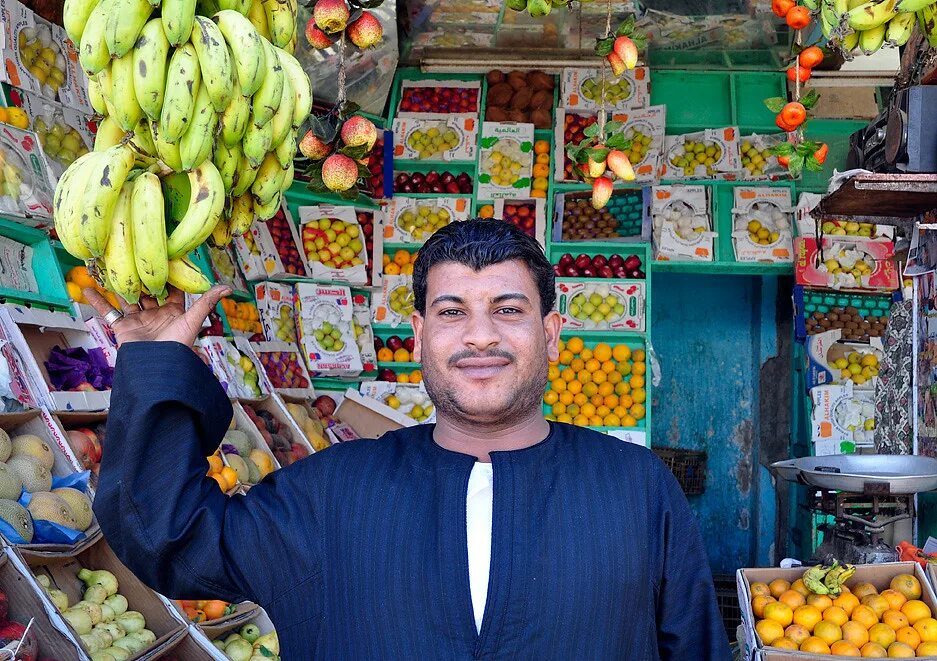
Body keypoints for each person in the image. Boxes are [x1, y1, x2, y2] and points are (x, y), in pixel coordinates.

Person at [88, 220, 731, 660]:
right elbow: (166, 539)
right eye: (453, 312)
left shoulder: (634, 487)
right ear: (419, 338)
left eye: (508, 310)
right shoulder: (331, 489)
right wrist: (156, 363)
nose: (480, 336)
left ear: (553, 333)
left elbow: (694, 647)